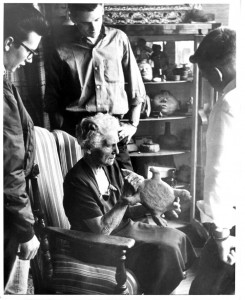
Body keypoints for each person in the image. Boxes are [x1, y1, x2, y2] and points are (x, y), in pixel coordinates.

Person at [63, 113, 197, 295]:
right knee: (164, 249)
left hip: (124, 229)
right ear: (89, 147)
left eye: (116, 144)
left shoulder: (109, 167)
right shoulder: (77, 181)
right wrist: (125, 199)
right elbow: (101, 230)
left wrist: (157, 206)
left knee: (176, 237)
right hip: (98, 245)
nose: (117, 151)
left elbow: (127, 212)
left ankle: (160, 291)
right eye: (109, 145)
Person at [44, 3, 146, 170]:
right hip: (77, 130)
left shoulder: (119, 39)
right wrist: (64, 135)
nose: (93, 28)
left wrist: (133, 125)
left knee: (126, 183)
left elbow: (136, 87)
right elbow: (52, 98)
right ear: (73, 17)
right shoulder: (58, 45)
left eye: (97, 19)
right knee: (83, 186)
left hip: (113, 128)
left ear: (103, 10)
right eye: (85, 23)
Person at [189, 27, 240, 294]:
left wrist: (220, 234)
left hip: (236, 221)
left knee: (205, 289)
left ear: (216, 73)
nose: (209, 82)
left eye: (207, 77)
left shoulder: (230, 104)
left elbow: (219, 172)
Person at [4, 4, 49, 294]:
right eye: (29, 51)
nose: (30, 60)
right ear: (9, 42)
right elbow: (9, 166)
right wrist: (25, 230)